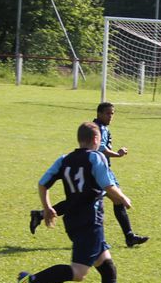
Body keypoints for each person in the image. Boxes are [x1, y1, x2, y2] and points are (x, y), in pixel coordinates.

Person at [11, 121, 152, 283]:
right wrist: (124, 198)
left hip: (73, 222)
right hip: (90, 222)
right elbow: (108, 186)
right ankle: (30, 280)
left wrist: (47, 208)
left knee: (107, 269)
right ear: (96, 140)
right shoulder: (96, 157)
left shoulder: (64, 160)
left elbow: (42, 183)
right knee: (79, 273)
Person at [30, 102, 149, 248]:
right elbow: (101, 149)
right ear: (99, 114)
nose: (110, 116)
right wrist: (117, 154)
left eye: (112, 113)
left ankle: (128, 236)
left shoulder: (102, 128)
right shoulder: (96, 129)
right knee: (87, 202)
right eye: (107, 113)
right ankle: (111, 238)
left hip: (102, 169)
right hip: (95, 170)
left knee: (87, 201)